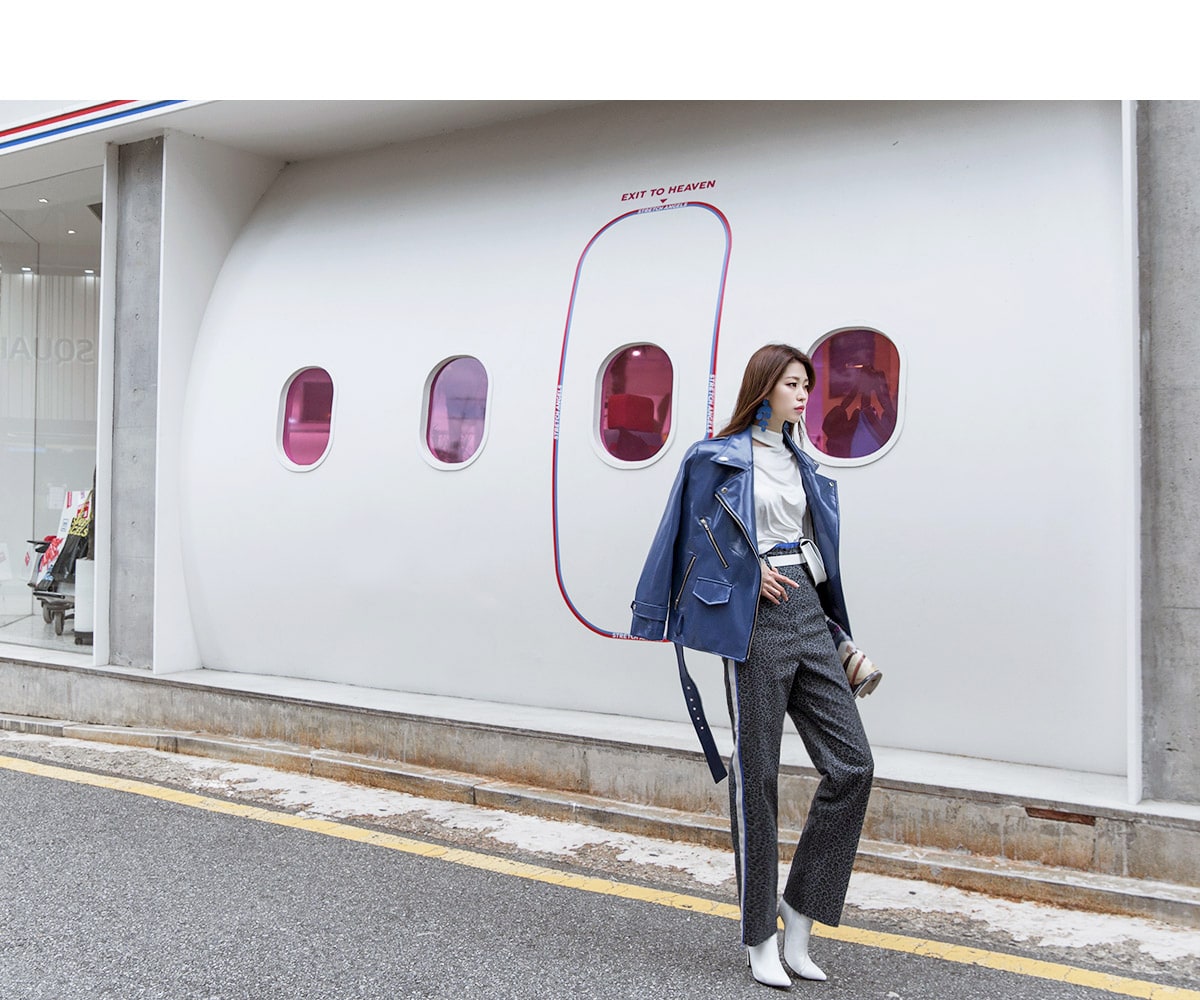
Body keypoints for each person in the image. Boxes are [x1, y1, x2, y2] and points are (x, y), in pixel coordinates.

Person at [630, 344, 874, 989]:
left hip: (808, 611)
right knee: (756, 776)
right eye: (792, 384)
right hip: (755, 621)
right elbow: (685, 538)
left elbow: (817, 548)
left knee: (853, 766)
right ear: (764, 388)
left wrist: (835, 629)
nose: (803, 395)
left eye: (806, 385)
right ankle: (759, 934)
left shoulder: (803, 462)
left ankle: (801, 912)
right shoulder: (715, 456)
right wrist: (743, 574)